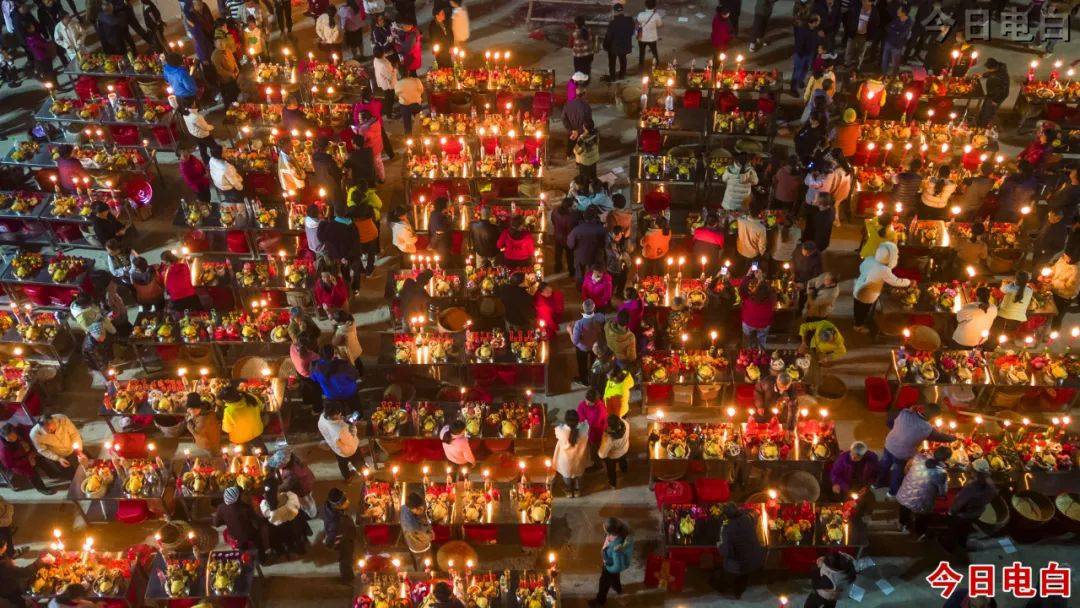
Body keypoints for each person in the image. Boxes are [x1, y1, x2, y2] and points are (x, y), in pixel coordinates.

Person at [878, 404, 955, 495]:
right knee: (897, 472)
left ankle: (877, 483)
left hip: (889, 444)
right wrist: (953, 438)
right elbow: (940, 437)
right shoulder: (926, 428)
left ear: (921, 408)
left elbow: (890, 420)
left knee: (884, 464)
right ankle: (892, 492)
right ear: (932, 416)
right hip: (902, 454)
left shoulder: (904, 413)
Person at [853, 242, 909, 333]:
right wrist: (908, 282)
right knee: (863, 310)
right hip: (868, 294)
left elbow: (861, 267)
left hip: (859, 286)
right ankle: (858, 326)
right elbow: (896, 282)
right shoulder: (884, 270)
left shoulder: (870, 259)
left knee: (858, 307)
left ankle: (856, 321)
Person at [943, 458, 996, 554]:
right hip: (977, 512)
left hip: (964, 513)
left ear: (975, 471)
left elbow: (960, 502)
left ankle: (948, 546)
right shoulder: (991, 483)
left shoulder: (972, 486)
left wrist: (951, 512)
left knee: (954, 529)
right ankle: (962, 543)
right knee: (965, 529)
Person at [713, 502, 766, 598]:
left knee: (729, 568)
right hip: (755, 559)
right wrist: (752, 510)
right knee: (743, 575)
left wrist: (719, 544)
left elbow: (725, 551)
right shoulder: (748, 518)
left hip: (740, 564)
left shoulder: (727, 529)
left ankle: (732, 589)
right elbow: (755, 513)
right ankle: (740, 589)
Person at [897, 446, 950, 537]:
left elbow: (906, 470)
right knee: (923, 516)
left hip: (905, 494)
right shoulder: (941, 473)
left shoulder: (918, 458)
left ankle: (902, 525)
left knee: (905, 507)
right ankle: (919, 532)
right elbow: (943, 492)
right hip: (921, 503)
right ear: (946, 459)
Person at [584, 517, 633, 608]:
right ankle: (617, 587)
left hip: (610, 565)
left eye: (605, 529)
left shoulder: (616, 547)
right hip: (611, 562)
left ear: (611, 532)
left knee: (603, 582)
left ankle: (600, 600)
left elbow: (617, 565)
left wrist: (608, 565)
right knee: (614, 576)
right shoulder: (620, 532)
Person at [214, 486, 269, 561]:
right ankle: (263, 559)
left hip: (233, 536)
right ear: (238, 497)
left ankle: (242, 556)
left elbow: (216, 524)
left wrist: (227, 520)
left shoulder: (221, 508)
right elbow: (258, 522)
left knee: (233, 532)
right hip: (248, 535)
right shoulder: (245, 507)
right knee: (259, 534)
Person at [259, 475, 308, 558]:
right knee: (297, 537)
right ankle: (301, 550)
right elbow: (297, 507)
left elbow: (268, 518)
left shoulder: (264, 506)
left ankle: (290, 551)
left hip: (281, 530)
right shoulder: (290, 496)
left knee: (288, 541)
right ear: (277, 487)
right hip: (294, 525)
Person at [0, 423, 54, 493]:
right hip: (20, 463)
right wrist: (27, 460)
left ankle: (53, 474)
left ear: (15, 431)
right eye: (9, 439)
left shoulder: (21, 432)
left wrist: (33, 452)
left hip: (30, 453)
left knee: (42, 460)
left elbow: (32, 433)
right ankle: (41, 489)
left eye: (13, 436)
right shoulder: (4, 449)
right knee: (32, 474)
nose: (12, 439)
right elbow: (9, 465)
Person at [29, 413, 81, 480]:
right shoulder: (35, 434)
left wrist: (79, 450)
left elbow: (74, 434)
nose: (51, 431)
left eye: (53, 429)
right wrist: (58, 458)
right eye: (48, 430)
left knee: (91, 465)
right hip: (59, 456)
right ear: (41, 428)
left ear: (54, 421)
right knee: (73, 477)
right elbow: (43, 450)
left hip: (73, 448)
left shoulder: (62, 419)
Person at [322, 488, 357, 582]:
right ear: (338, 505)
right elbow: (333, 538)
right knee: (346, 560)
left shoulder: (329, 506)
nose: (348, 501)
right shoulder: (337, 523)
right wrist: (330, 544)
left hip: (344, 533)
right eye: (345, 501)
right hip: (344, 541)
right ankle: (347, 578)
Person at [553, 409, 590, 497]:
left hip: (565, 461)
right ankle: (578, 489)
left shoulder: (560, 430)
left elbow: (557, 430)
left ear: (566, 420)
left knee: (566, 475)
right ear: (578, 419)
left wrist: (562, 425)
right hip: (579, 459)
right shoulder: (584, 428)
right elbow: (586, 423)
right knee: (579, 473)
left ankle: (569, 490)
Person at [571, 299, 606, 385]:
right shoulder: (601, 317)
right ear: (594, 308)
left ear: (582, 309)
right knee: (594, 362)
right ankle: (593, 378)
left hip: (583, 347)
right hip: (596, 346)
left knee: (582, 364)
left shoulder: (579, 323)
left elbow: (575, 341)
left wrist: (569, 331)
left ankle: (584, 380)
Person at [567, 207, 606, 281]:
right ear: (595, 216)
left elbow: (570, 244)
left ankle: (581, 287)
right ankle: (594, 287)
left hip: (581, 255)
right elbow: (605, 242)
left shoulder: (577, 230)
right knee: (595, 274)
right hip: (596, 255)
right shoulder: (601, 229)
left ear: (584, 216)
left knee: (580, 274)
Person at [739, 271, 776, 348]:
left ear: (755, 291)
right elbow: (770, 290)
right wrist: (761, 279)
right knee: (762, 341)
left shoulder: (748, 298)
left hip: (748, 323)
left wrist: (748, 274)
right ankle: (760, 353)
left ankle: (746, 352)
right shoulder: (771, 299)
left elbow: (742, 287)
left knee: (746, 341)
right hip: (764, 324)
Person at [400, 492, 433, 568]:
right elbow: (425, 536)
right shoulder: (411, 526)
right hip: (419, 547)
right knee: (425, 564)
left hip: (415, 541)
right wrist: (430, 533)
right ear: (414, 509)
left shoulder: (405, 507)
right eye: (420, 509)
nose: (422, 509)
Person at [1049, 250, 1080, 328]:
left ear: (1071, 258)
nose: (1063, 256)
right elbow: (1054, 268)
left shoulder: (1076, 270)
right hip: (1052, 292)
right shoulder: (1062, 260)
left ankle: (1052, 335)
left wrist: (1052, 282)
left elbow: (1070, 287)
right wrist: (1049, 273)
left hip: (1063, 298)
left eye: (1066, 255)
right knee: (1046, 313)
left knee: (1057, 317)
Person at [603, 3, 633, 81]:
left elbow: (609, 36)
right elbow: (631, 32)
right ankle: (622, 75)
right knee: (623, 59)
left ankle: (612, 77)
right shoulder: (630, 20)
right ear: (622, 10)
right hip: (625, 44)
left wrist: (605, 45)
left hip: (614, 46)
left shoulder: (613, 23)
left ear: (614, 11)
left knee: (612, 61)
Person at [597, 414, 628, 488]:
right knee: (623, 459)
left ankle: (613, 483)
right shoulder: (626, 424)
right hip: (624, 449)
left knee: (611, 469)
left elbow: (602, 454)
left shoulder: (608, 438)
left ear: (609, 426)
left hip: (613, 456)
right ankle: (624, 469)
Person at [977, 58, 1009, 127]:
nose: (988, 70)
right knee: (984, 110)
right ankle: (979, 123)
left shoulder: (1003, 76)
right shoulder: (997, 70)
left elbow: (1005, 91)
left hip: (995, 97)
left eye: (989, 68)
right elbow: (991, 73)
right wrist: (982, 75)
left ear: (995, 67)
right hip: (990, 94)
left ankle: (983, 127)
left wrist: (996, 101)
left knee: (989, 113)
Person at [212, 35, 240, 107]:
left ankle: (239, 107)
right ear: (215, 44)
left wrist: (237, 69)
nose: (222, 44)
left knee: (237, 94)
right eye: (219, 43)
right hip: (226, 81)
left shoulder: (228, 50)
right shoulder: (215, 56)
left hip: (234, 77)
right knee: (230, 98)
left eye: (223, 42)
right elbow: (220, 70)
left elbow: (233, 60)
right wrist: (231, 74)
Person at [880, 5, 909, 75]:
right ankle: (883, 74)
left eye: (899, 10)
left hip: (897, 46)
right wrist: (896, 32)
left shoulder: (908, 23)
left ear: (903, 12)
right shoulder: (896, 18)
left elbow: (902, 35)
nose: (897, 11)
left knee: (895, 64)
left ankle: (893, 78)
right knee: (884, 60)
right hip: (888, 42)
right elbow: (887, 28)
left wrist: (894, 30)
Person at [635, 0, 661, 68]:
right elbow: (659, 24)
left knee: (641, 53)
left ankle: (641, 66)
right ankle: (657, 64)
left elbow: (637, 24)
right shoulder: (656, 15)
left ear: (645, 5)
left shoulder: (640, 14)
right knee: (654, 52)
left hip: (642, 37)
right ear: (654, 6)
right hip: (652, 38)